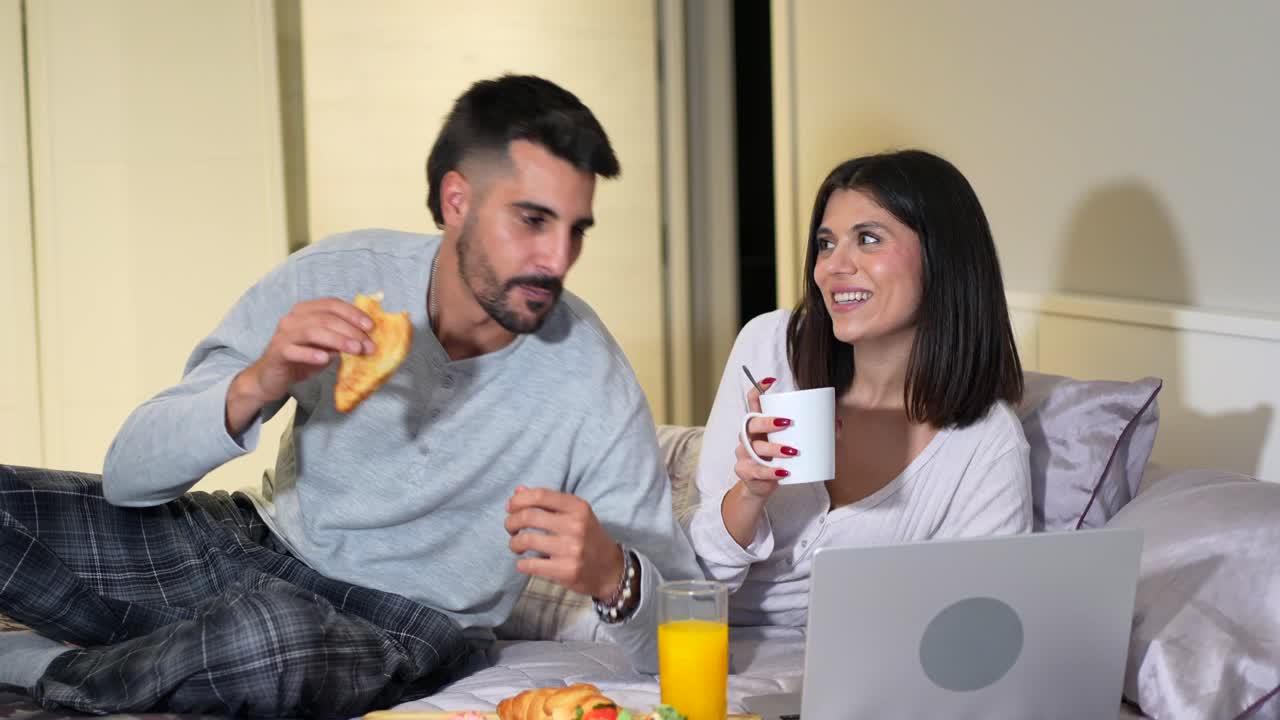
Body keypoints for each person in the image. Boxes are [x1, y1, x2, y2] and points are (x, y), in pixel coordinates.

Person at [0, 74, 698, 715]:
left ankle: (43, 665)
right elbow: (128, 476)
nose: (558, 259)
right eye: (532, 221)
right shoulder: (338, 274)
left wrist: (613, 573)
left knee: (269, 643)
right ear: (458, 201)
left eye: (576, 230)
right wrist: (259, 381)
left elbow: (684, 624)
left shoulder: (592, 379)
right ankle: (152, 663)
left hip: (398, 625)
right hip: (246, 545)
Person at [686, 149, 1032, 627]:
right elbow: (690, 584)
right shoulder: (772, 350)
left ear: (942, 257)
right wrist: (749, 494)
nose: (831, 267)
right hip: (694, 633)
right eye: (826, 244)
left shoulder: (983, 445)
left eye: (868, 239)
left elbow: (979, 626)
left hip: (835, 672)